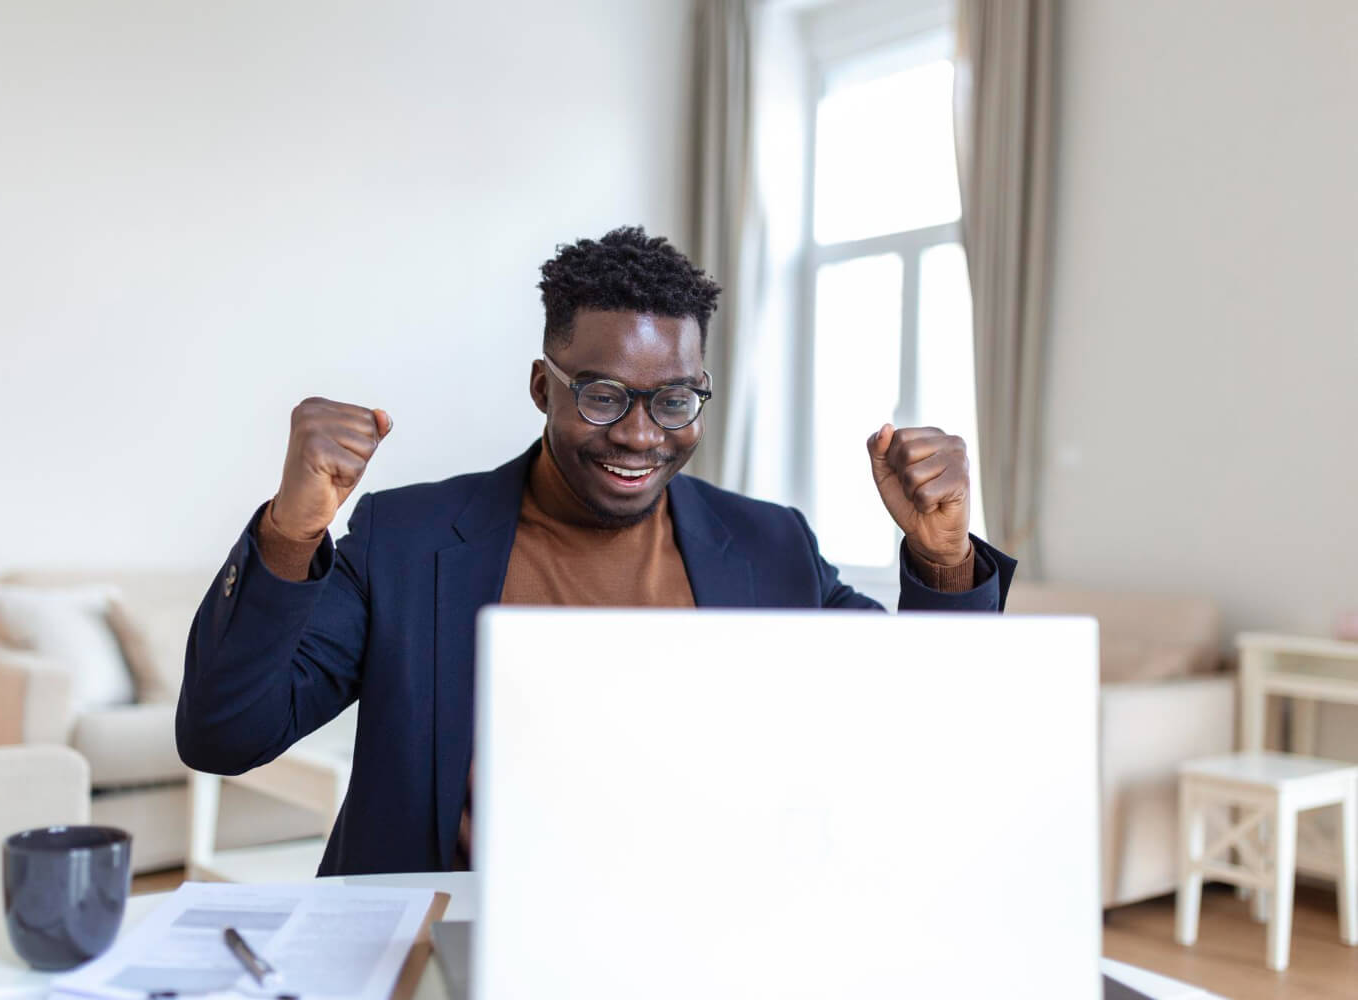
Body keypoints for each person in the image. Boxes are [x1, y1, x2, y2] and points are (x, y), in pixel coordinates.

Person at [176, 226, 1016, 876]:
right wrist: (291, 533)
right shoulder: (409, 540)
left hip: (696, 934)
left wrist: (943, 559)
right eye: (605, 395)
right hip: (452, 934)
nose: (643, 435)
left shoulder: (769, 547)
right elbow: (223, 735)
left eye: (675, 399)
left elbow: (924, 732)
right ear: (544, 386)